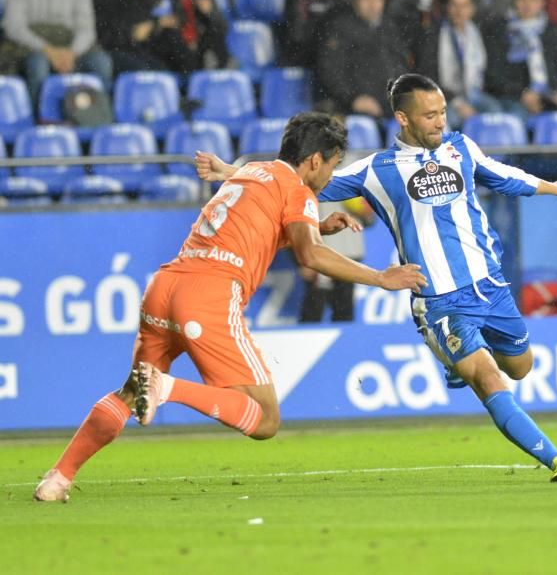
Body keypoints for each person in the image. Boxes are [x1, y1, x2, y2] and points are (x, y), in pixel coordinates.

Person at [197, 74, 557, 483]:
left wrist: (553, 188)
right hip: (439, 300)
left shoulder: (460, 147)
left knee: (520, 367)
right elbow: (299, 180)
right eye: (430, 115)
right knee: (488, 378)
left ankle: (458, 365)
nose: (440, 122)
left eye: (442, 113)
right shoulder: (377, 169)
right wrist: (232, 171)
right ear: (403, 118)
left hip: (490, 287)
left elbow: (501, 174)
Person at [33, 113, 427, 502]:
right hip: (209, 296)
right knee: (266, 419)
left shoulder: (252, 171)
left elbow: (258, 225)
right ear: (314, 161)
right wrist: (380, 277)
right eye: (333, 165)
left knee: (131, 389)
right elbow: (312, 257)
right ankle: (166, 387)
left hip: (164, 287)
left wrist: (317, 227)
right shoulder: (298, 191)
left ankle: (58, 478)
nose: (329, 176)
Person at [483, 0, 557, 121]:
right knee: (515, 118)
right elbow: (494, 76)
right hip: (516, 98)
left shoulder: (553, 31)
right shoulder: (499, 31)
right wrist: (522, 94)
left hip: (551, 96)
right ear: (514, 1)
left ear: (542, 2)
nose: (527, 5)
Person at [314, 0, 409, 117]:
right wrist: (353, 99)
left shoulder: (390, 27)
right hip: (354, 105)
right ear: (355, 0)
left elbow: (401, 64)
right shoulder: (339, 27)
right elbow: (330, 70)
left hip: (389, 103)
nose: (373, 4)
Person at [415, 0, 503, 129]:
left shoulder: (479, 34)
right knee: (453, 119)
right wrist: (457, 102)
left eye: (464, 5)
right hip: (444, 97)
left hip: (475, 94)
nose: (459, 11)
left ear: (472, 9)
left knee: (495, 113)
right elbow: (428, 77)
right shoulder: (434, 36)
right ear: (447, 8)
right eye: (454, 5)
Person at [299, 198, 375, 323]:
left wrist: (367, 212)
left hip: (351, 253)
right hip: (322, 254)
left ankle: (346, 341)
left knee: (344, 308)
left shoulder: (355, 182)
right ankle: (305, 340)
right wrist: (302, 256)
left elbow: (369, 221)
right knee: (314, 306)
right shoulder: (315, 183)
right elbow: (299, 221)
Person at [167, 0, 230, 72]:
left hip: (200, 47)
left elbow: (223, 27)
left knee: (216, 33)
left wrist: (210, 12)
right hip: (177, 49)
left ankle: (222, 72)